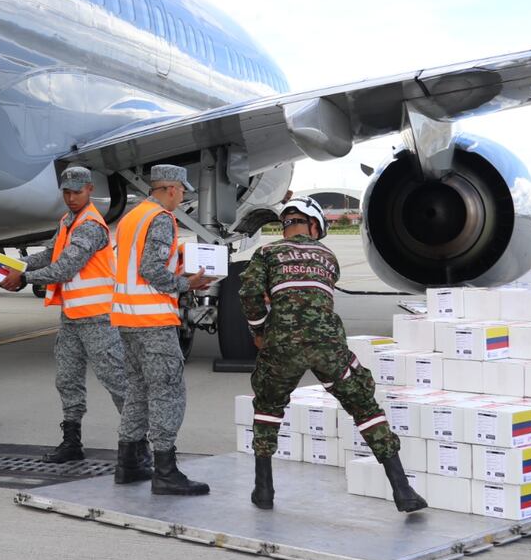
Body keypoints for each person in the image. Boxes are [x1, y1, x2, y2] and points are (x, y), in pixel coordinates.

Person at [240, 196, 427, 512]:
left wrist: (259, 330)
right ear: (313, 225)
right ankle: (402, 489)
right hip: (329, 345)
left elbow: (248, 292)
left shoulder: (266, 253)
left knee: (269, 407)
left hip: (281, 346)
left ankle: (264, 490)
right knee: (365, 407)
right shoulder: (328, 255)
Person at [0, 166, 128, 463]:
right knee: (68, 379)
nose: (70, 198)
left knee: (116, 380)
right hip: (72, 318)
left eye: (76, 192)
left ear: (90, 190)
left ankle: (138, 444)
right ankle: (72, 442)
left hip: (97, 318)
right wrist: (16, 265)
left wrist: (23, 279)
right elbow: (50, 255)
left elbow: (65, 268)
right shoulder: (68, 221)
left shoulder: (91, 226)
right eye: (66, 192)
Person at [111, 165, 213, 494]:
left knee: (138, 392)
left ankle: (128, 464)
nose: (183, 196)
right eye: (182, 191)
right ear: (169, 189)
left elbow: (135, 265)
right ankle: (165, 471)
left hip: (127, 318)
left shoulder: (132, 216)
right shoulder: (160, 219)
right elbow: (151, 268)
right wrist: (188, 283)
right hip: (153, 320)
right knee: (168, 393)